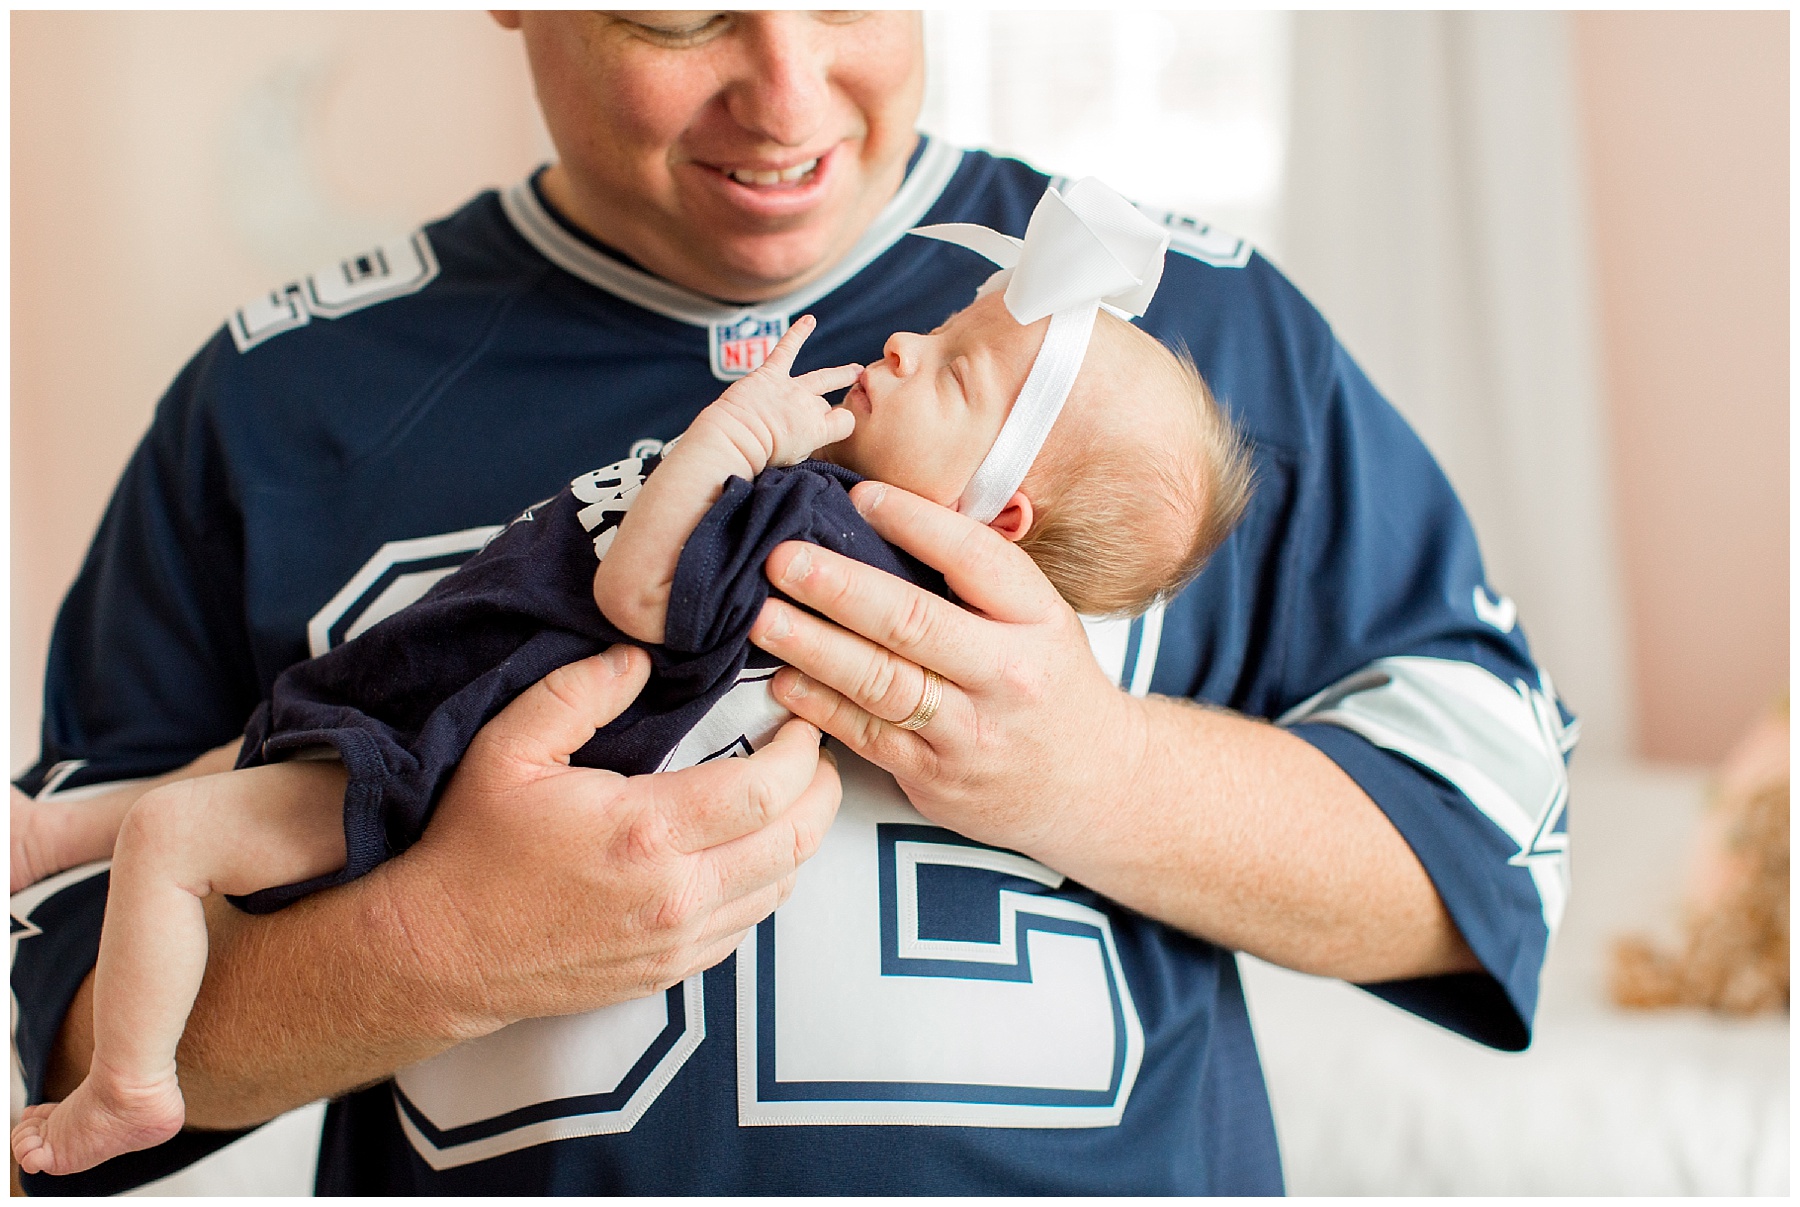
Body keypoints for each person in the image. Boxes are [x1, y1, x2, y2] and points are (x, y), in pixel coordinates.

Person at [11, 11, 1574, 1196]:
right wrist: (431, 946)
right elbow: (54, 1026)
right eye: (681, 16)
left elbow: (1490, 838)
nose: (789, 94)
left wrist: (1088, 772)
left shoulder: (1178, 356)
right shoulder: (277, 400)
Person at [10, 209, 1252, 1176]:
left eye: (963, 377)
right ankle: (57, 831)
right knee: (251, 754)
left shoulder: (820, 528)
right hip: (428, 703)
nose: (911, 341)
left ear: (998, 511)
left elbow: (647, 600)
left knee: (185, 828)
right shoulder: (850, 513)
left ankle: (132, 1088)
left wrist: (733, 436)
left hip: (435, 761)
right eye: (957, 326)